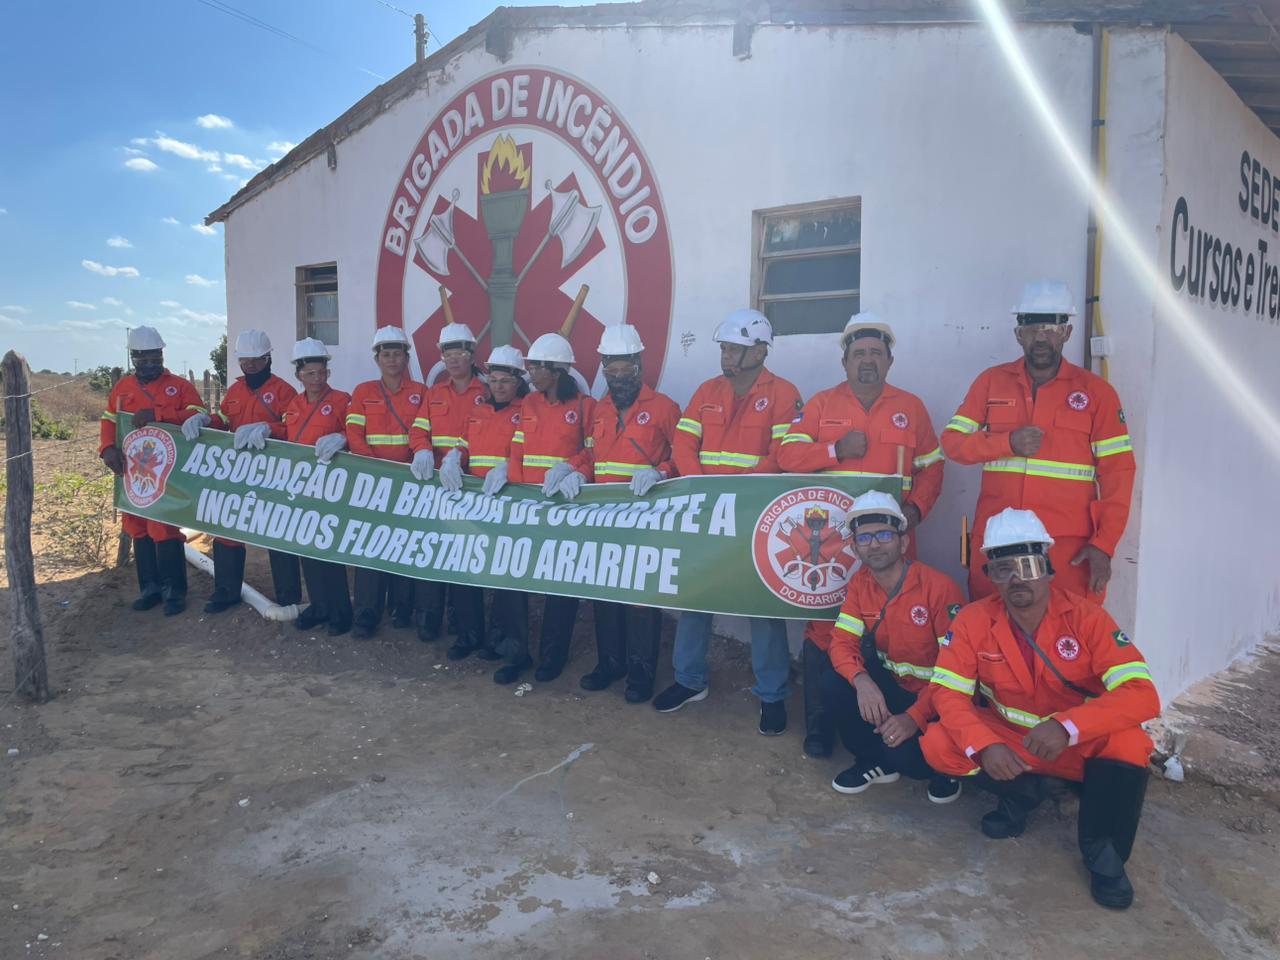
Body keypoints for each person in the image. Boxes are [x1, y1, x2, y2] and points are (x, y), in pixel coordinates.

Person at [920, 508, 1159, 910]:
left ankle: (1106, 859)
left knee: (1131, 745)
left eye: (1027, 565)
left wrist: (1068, 727)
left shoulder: (1087, 618)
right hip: (1012, 745)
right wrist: (983, 745)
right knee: (939, 743)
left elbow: (1142, 694)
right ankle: (1020, 795)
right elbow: (948, 695)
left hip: (1074, 747)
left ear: (1047, 568)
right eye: (1001, 570)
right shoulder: (973, 621)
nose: (1015, 579)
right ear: (991, 576)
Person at [778, 313, 944, 756]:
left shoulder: (911, 406)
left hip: (890, 545)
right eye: (858, 354)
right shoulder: (821, 404)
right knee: (825, 630)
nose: (867, 361)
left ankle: (881, 729)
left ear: (889, 360)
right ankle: (819, 725)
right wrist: (834, 450)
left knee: (891, 634)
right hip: (831, 546)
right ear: (845, 360)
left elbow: (932, 466)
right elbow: (787, 455)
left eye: (875, 353)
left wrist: (916, 508)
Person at [653, 309, 801, 734]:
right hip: (707, 509)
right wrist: (702, 487)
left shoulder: (784, 393)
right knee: (696, 596)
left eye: (735, 348)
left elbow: (782, 454)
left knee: (761, 604)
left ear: (759, 350)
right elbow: (685, 441)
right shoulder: (707, 390)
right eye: (724, 348)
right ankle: (689, 680)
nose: (727, 355)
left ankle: (772, 694)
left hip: (754, 514)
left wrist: (743, 492)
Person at [941, 281, 1135, 601]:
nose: (1041, 336)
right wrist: (1007, 444)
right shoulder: (992, 382)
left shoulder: (1096, 393)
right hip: (996, 544)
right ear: (1019, 334)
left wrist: (1104, 544)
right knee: (990, 633)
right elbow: (952, 443)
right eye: (1031, 327)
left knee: (1066, 637)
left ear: (1067, 332)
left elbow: (1118, 473)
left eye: (1050, 326)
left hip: (1066, 547)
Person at [818, 491, 965, 802]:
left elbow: (956, 674)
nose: (874, 544)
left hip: (937, 699)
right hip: (894, 687)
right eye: (864, 538)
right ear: (855, 548)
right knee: (833, 680)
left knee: (908, 761)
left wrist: (914, 717)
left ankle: (945, 768)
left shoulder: (939, 589)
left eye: (884, 535)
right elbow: (841, 642)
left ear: (903, 542)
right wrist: (862, 681)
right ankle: (872, 761)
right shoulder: (860, 584)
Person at [488, 332, 594, 682]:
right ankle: (514, 653)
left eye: (535, 367)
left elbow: (595, 451)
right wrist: (509, 474)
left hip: (564, 507)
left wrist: (573, 467)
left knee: (559, 584)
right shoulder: (529, 404)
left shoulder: (584, 406)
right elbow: (518, 447)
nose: (530, 373)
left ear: (557, 370)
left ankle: (552, 656)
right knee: (511, 576)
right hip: (525, 504)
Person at [184, 329, 300, 615]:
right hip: (236, 474)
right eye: (244, 361)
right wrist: (204, 420)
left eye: (255, 361)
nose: (249, 366)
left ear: (267, 359)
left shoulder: (285, 391)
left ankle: (289, 596)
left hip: (273, 474)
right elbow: (224, 420)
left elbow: (295, 430)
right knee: (227, 532)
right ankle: (226, 591)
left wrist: (270, 428)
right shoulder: (235, 391)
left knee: (277, 532)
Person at [99, 326, 207, 615]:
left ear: (162, 355)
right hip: (131, 473)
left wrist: (159, 416)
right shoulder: (122, 387)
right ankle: (150, 589)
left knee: (164, 528)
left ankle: (175, 593)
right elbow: (109, 418)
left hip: (168, 473)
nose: (150, 362)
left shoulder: (180, 386)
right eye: (143, 358)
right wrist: (107, 447)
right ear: (133, 358)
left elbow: (200, 416)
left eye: (154, 356)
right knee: (138, 528)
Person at [438, 345, 529, 681]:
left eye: (507, 380)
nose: (499, 386)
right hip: (473, 502)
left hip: (508, 503)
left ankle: (508, 647)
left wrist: (508, 465)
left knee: (507, 578)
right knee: (468, 570)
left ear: (519, 381)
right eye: (494, 379)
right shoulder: (477, 409)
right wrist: (453, 456)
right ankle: (469, 636)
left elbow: (530, 450)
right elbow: (463, 442)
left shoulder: (527, 410)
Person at [409, 322, 489, 659]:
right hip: (435, 487)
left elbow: (489, 433)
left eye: (460, 352)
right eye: (447, 353)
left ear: (472, 355)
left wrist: (461, 455)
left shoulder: (486, 391)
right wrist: (422, 450)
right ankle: (428, 620)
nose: (453, 358)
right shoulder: (435, 392)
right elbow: (418, 429)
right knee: (432, 553)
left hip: (469, 486)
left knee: (465, 561)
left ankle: (466, 629)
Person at [345, 326, 427, 639]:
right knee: (371, 546)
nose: (392, 360)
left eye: (397, 354)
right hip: (374, 483)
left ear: (406, 358)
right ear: (377, 359)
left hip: (408, 483)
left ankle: (401, 609)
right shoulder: (363, 391)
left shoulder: (422, 392)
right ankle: (366, 614)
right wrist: (374, 467)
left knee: (404, 546)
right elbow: (354, 433)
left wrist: (415, 459)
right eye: (386, 354)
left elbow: (423, 433)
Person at [281, 337, 353, 636]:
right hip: (301, 486)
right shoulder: (294, 405)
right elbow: (285, 434)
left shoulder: (342, 400)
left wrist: (344, 437)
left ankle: (339, 610)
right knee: (306, 548)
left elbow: (355, 430)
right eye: (310, 373)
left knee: (328, 547)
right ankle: (319, 605)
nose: (317, 378)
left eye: (321, 372)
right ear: (298, 375)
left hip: (330, 486)